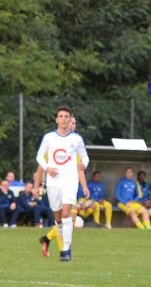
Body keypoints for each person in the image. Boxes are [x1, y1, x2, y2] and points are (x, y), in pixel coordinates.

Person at [34, 105, 90, 261]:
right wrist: (47, 168)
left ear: (70, 119)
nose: (64, 119)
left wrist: (84, 165)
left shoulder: (76, 139)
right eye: (61, 116)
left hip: (70, 181)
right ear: (56, 119)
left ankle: (65, 250)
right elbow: (39, 157)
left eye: (67, 116)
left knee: (67, 213)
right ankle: (59, 238)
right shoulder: (49, 138)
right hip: (53, 183)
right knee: (58, 218)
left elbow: (85, 157)